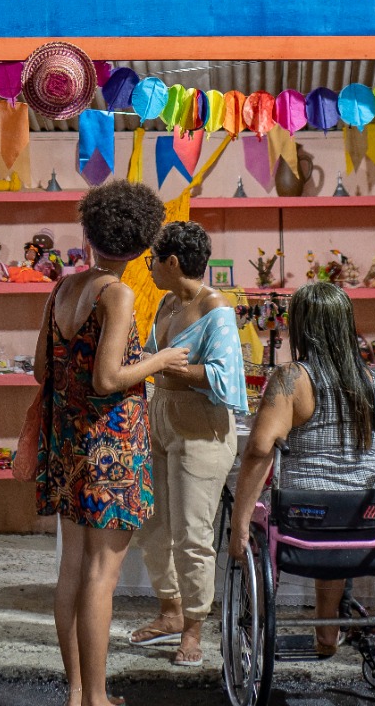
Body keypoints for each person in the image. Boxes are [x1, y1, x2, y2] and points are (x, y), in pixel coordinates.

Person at [34, 180, 188, 706]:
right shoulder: (116, 294)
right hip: (111, 450)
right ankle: (98, 697)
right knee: (101, 577)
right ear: (144, 245)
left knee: (72, 572)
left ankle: (78, 692)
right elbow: (107, 379)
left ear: (89, 232)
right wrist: (160, 360)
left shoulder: (63, 288)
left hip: (67, 445)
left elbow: (41, 370)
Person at [229, 283, 375, 657]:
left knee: (263, 526)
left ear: (300, 326)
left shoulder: (292, 378)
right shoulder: (374, 383)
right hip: (368, 517)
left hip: (304, 515)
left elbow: (259, 450)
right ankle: (327, 633)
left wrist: (238, 526)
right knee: (339, 517)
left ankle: (258, 625)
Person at [130, 221, 247, 666]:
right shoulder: (166, 303)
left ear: (173, 262)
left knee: (192, 534)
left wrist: (162, 364)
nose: (150, 268)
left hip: (201, 424)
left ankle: (194, 629)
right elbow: (150, 357)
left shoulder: (215, 307)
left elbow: (225, 379)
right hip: (161, 414)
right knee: (153, 525)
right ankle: (171, 611)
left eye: (153, 260)